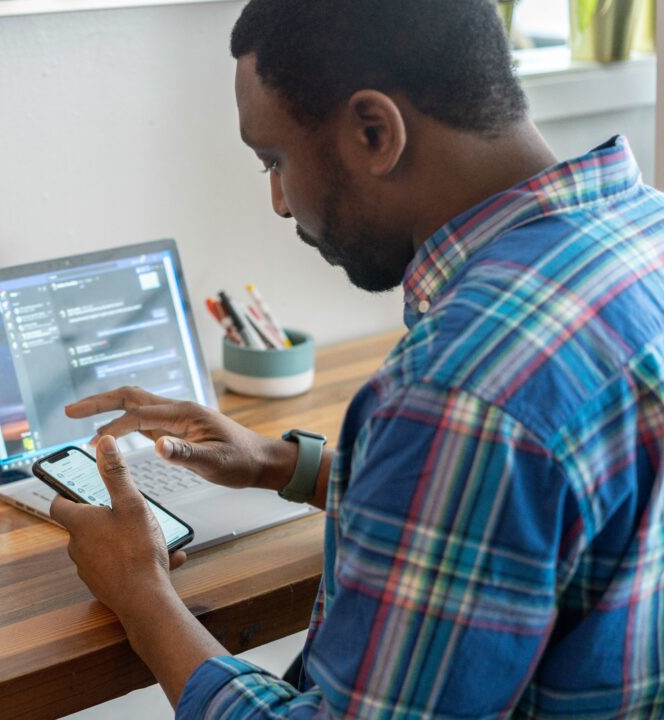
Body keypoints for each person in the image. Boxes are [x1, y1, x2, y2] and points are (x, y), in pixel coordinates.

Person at [49, 1, 664, 717]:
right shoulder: (642, 233)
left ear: (375, 132)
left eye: (275, 161)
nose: (279, 203)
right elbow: (523, 516)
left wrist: (141, 593)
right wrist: (282, 465)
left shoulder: (460, 390)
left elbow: (485, 444)